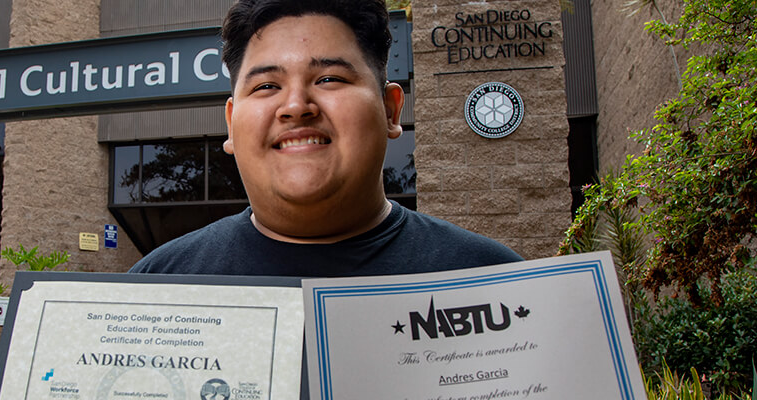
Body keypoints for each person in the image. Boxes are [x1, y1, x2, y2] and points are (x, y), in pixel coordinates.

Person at [129, 0, 522, 276]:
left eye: (329, 79)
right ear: (231, 124)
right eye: (267, 86)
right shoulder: (151, 291)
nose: (296, 106)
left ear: (390, 109)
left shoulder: (495, 285)